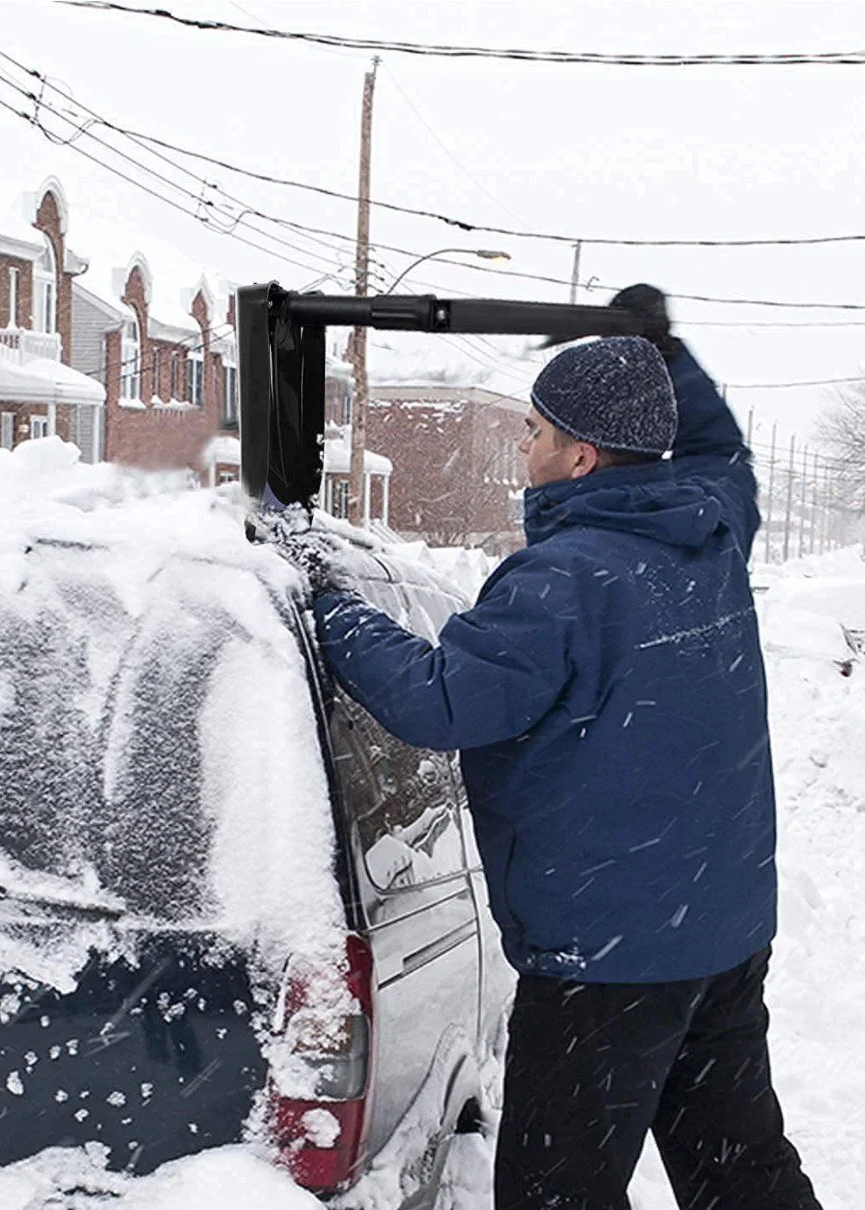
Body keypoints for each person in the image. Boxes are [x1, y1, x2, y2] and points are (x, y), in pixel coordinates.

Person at [279, 287, 822, 1210]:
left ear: (578, 455)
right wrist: (661, 351)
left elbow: (442, 700)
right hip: (720, 938)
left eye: (533, 430)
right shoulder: (712, 531)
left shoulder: (563, 581)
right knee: (740, 1170)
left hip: (605, 964)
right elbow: (719, 448)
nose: (521, 448)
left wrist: (329, 610)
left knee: (555, 1194)